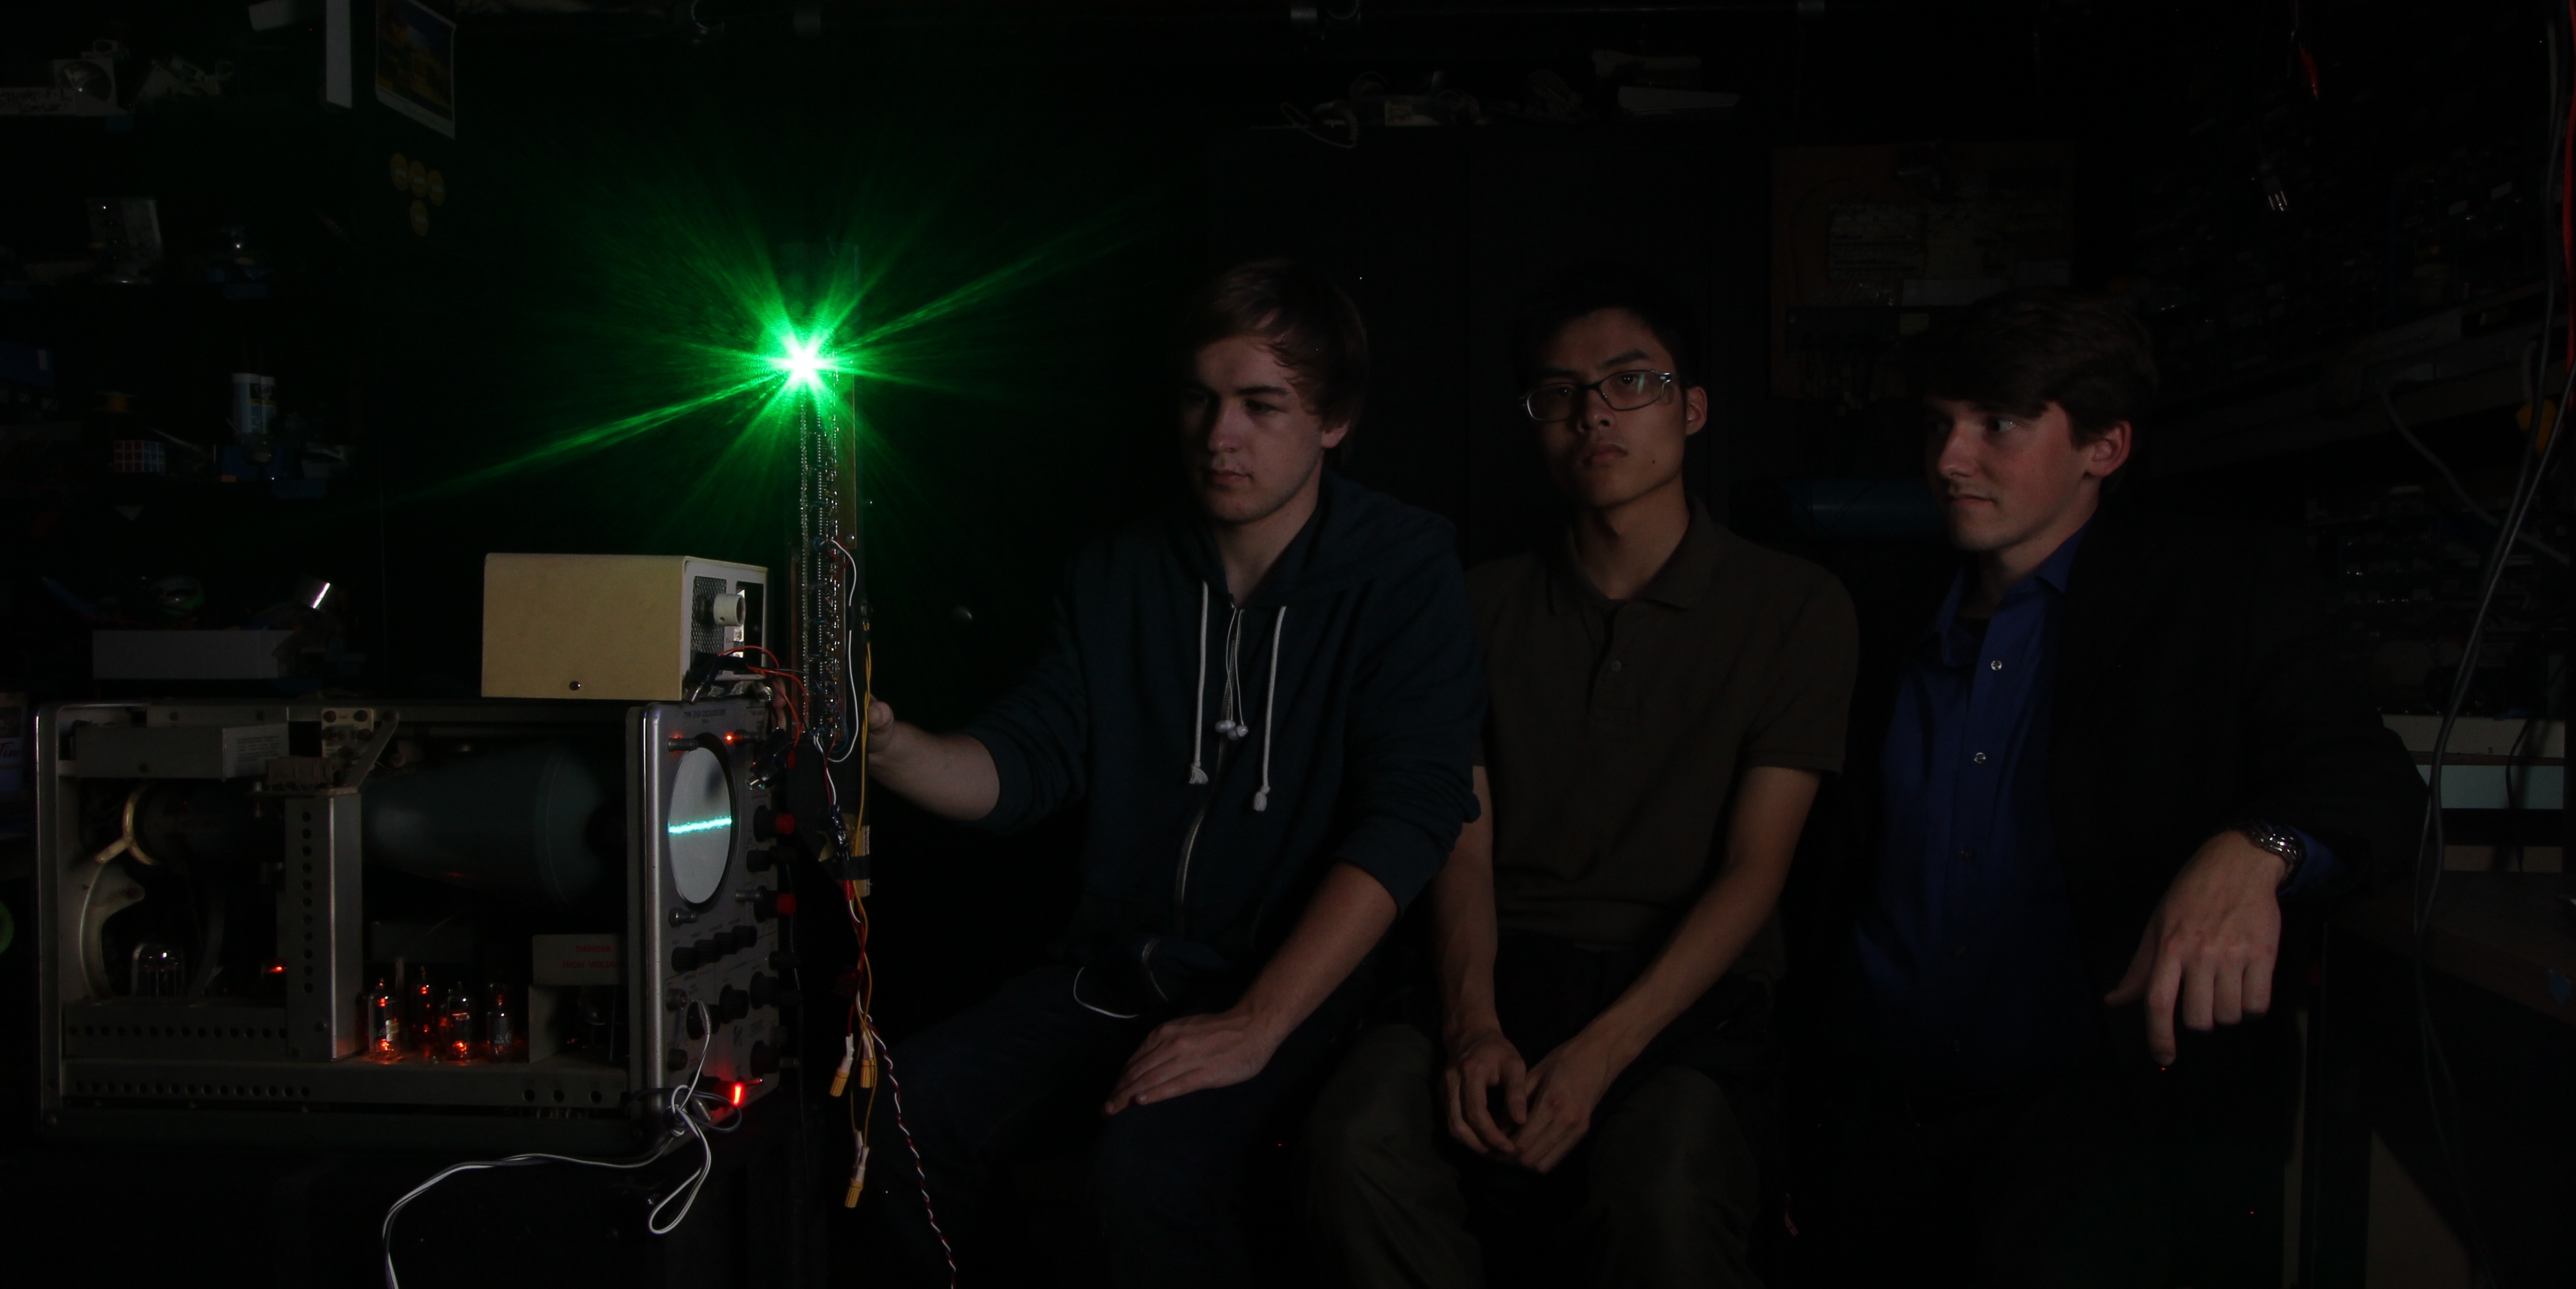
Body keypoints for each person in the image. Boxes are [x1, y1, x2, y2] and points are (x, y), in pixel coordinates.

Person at [859, 259, 1485, 1287]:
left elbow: (1413, 815)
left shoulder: (1403, 570)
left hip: (1304, 989)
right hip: (1120, 971)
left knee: (1147, 1174)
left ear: (1333, 421)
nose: (1217, 435)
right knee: (896, 1110)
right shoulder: (1117, 572)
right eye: (1199, 399)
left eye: (1260, 406)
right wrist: (887, 745)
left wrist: (1256, 1022)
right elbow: (1022, 765)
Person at [1788, 289, 2426, 1287]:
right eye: (1938, 426)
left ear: (2105, 446)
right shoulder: (1870, 608)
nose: (1950, 459)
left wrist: (2255, 849)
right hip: (1874, 1125)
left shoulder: (2217, 592)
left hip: (2099, 1129)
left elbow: (2369, 780)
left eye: (1997, 425)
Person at [1303, 264, 1858, 1288]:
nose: (1592, 413)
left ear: (1691, 409)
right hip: (1495, 967)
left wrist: (1604, 1052)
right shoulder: (1475, 605)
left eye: (1629, 382)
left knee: (1664, 1188)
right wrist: (1472, 1025)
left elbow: (1755, 869)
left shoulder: (1794, 606)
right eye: (1559, 392)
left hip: (1686, 990)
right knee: (1352, 1143)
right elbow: (1459, 840)